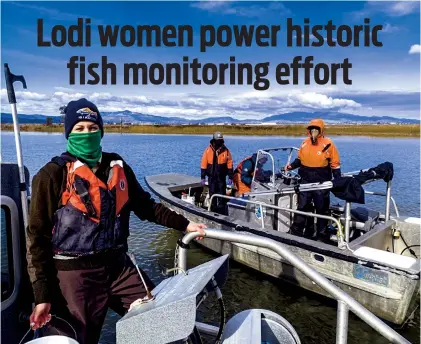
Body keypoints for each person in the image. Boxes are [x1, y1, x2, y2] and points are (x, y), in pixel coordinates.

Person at [26, 98, 207, 344]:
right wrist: (42, 293)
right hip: (74, 275)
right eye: (79, 129)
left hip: (119, 268)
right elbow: (37, 237)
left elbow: (146, 206)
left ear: (101, 131)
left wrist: (186, 225)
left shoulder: (117, 166)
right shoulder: (51, 175)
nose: (87, 134)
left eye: (92, 128)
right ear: (69, 133)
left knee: (161, 318)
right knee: (79, 338)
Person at [285, 119, 341, 239]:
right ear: (309, 131)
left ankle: (322, 233)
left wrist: (338, 180)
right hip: (305, 180)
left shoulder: (328, 143)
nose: (314, 131)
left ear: (321, 130)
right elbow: (299, 159)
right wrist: (290, 167)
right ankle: (297, 231)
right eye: (312, 129)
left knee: (322, 208)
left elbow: (335, 164)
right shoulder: (305, 143)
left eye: (316, 129)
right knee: (302, 206)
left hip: (321, 182)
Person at [200, 132, 233, 213]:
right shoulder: (208, 150)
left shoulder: (226, 150)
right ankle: (213, 209)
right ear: (214, 140)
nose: (219, 142)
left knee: (222, 192)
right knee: (212, 192)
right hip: (212, 177)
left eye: (221, 140)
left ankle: (222, 209)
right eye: (218, 140)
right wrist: (203, 177)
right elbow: (203, 164)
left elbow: (230, 163)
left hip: (221, 176)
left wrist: (230, 177)